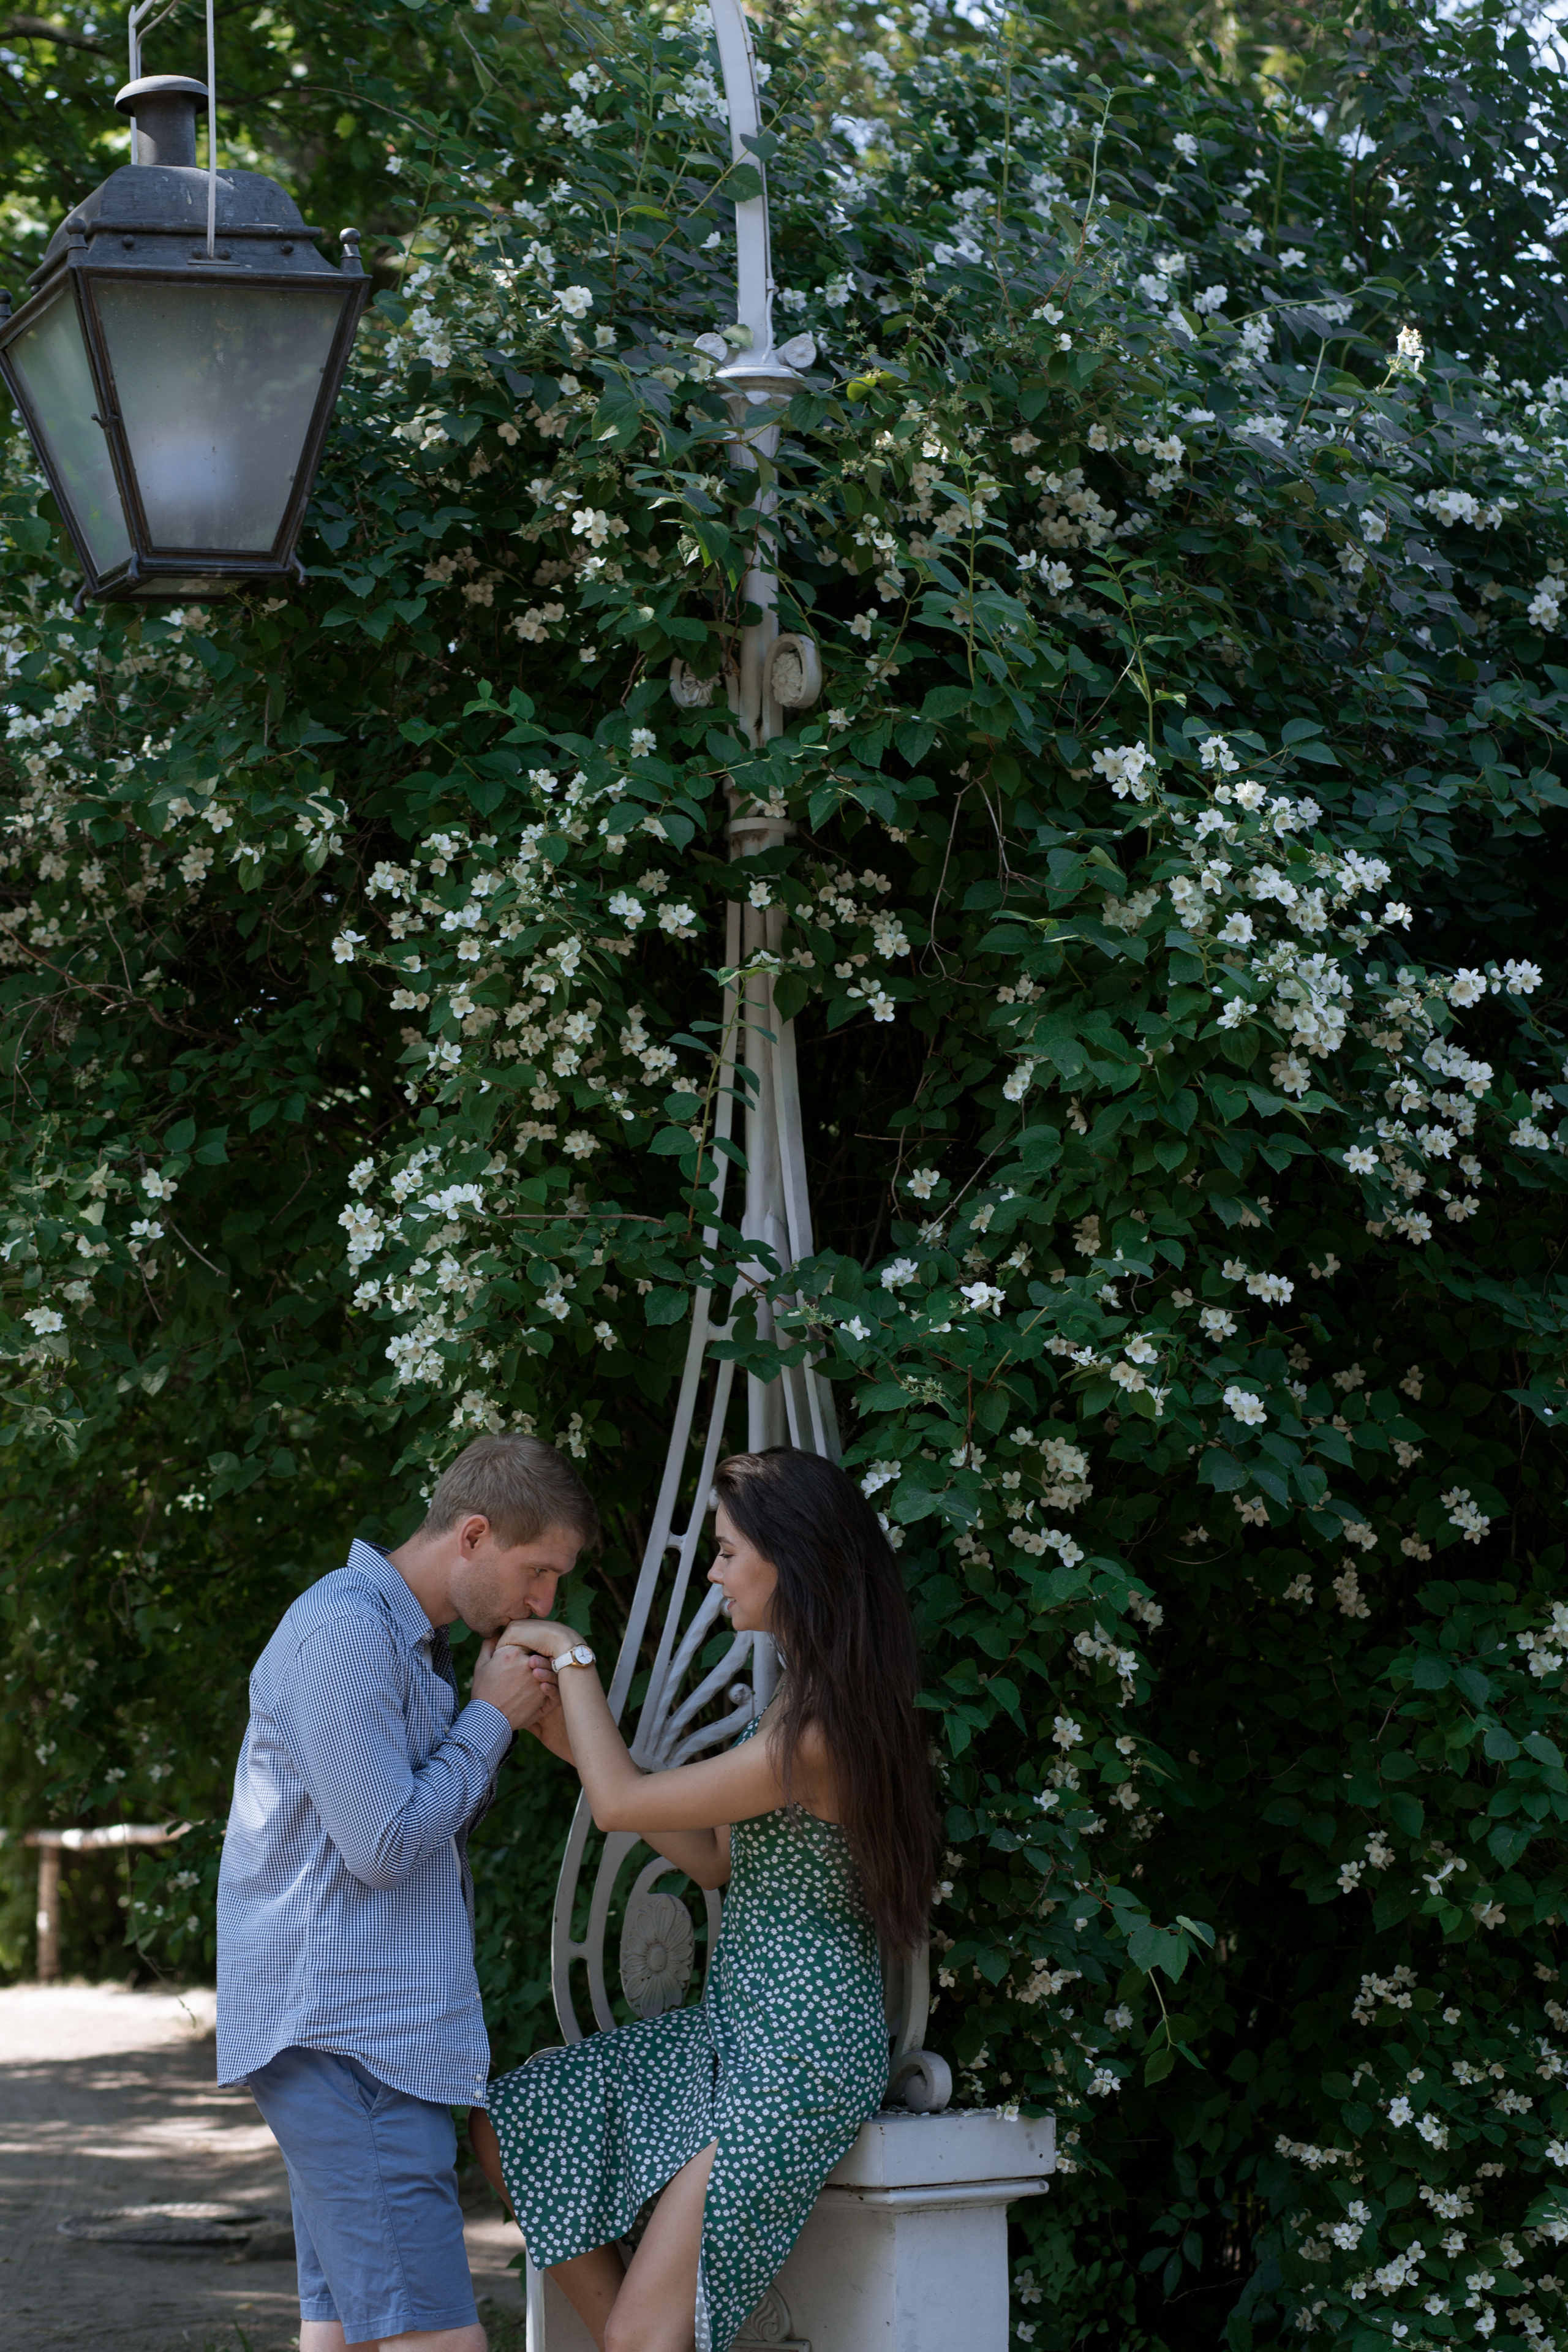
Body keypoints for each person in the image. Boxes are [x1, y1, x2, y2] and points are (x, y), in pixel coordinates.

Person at [469, 1444, 940, 2352]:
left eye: (727, 1551)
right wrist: (572, 1742)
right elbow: (716, 1859)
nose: (715, 1572)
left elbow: (621, 1804)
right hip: (737, 2033)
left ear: (791, 1555)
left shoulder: (822, 1729)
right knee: (512, 2123)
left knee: (641, 2339)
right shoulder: (803, 1701)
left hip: (796, 2057)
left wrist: (570, 1658)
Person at [216, 1431, 599, 2352]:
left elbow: (403, 1836)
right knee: (437, 2342)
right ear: (472, 1536)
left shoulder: (405, 1642)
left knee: (342, 2335)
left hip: (364, 2041)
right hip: (353, 2044)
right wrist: (489, 1722)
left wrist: (477, 1719)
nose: (545, 1602)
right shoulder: (347, 1630)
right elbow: (385, 1848)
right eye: (538, 1572)